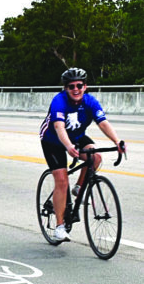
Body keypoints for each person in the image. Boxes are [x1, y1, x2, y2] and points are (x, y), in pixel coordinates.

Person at [39, 67, 126, 242]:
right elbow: (59, 127)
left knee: (95, 157)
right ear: (66, 88)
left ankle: (78, 187)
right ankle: (59, 227)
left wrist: (117, 142)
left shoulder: (90, 101)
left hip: (76, 136)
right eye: (71, 86)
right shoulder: (59, 101)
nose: (76, 89)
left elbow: (103, 123)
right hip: (53, 141)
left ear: (85, 86)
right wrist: (69, 146)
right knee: (62, 180)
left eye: (79, 85)